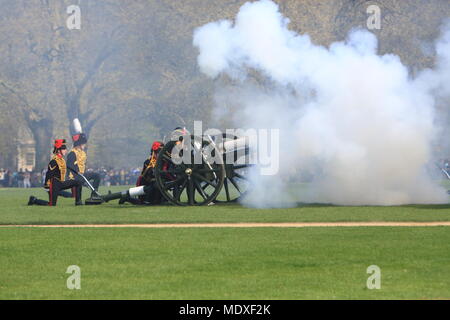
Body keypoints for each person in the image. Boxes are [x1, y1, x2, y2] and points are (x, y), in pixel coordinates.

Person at [28, 139, 82, 206]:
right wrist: (47, 186)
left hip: (61, 183)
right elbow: (49, 174)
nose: (66, 150)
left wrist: (76, 172)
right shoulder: (54, 161)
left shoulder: (62, 160)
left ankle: (78, 202)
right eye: (64, 149)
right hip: (54, 184)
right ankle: (34, 200)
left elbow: (67, 168)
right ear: (59, 150)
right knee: (51, 204)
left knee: (78, 182)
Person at [117, 141, 165, 205]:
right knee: (142, 203)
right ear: (154, 152)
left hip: (159, 185)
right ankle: (127, 198)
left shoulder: (164, 162)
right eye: (158, 152)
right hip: (149, 185)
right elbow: (146, 177)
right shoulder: (148, 162)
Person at [66, 133, 101, 199]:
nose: (85, 145)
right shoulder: (72, 153)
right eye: (83, 143)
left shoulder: (83, 153)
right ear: (79, 144)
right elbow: (69, 166)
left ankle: (94, 195)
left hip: (82, 175)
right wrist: (77, 173)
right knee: (78, 182)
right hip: (75, 177)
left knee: (97, 175)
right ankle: (78, 201)